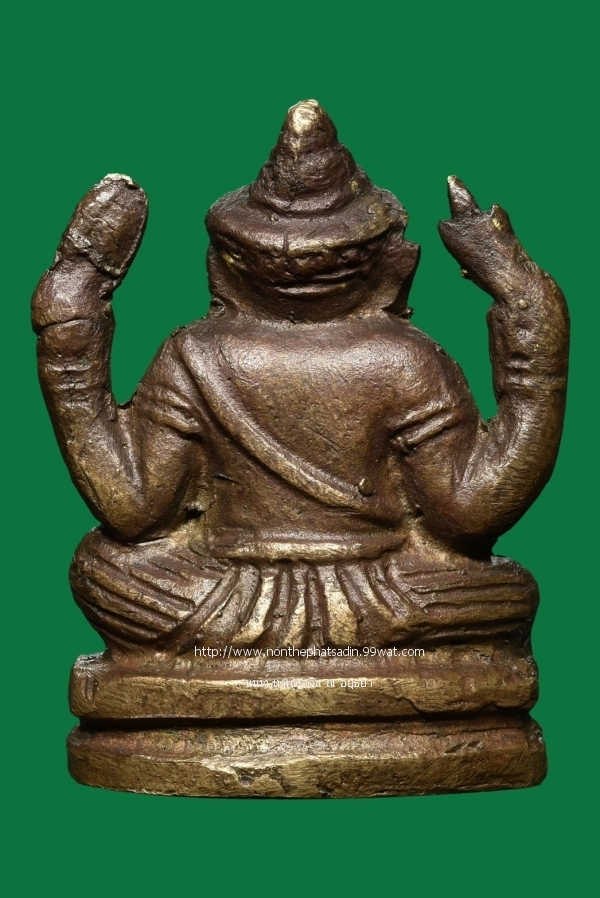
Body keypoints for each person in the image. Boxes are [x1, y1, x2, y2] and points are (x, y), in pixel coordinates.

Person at [32, 101, 569, 656]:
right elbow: (471, 511)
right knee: (507, 589)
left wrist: (72, 340)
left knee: (100, 567)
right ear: (393, 261)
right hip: (381, 606)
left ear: (224, 262)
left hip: (223, 607)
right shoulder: (405, 359)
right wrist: (528, 309)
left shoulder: (194, 352)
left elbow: (132, 506)